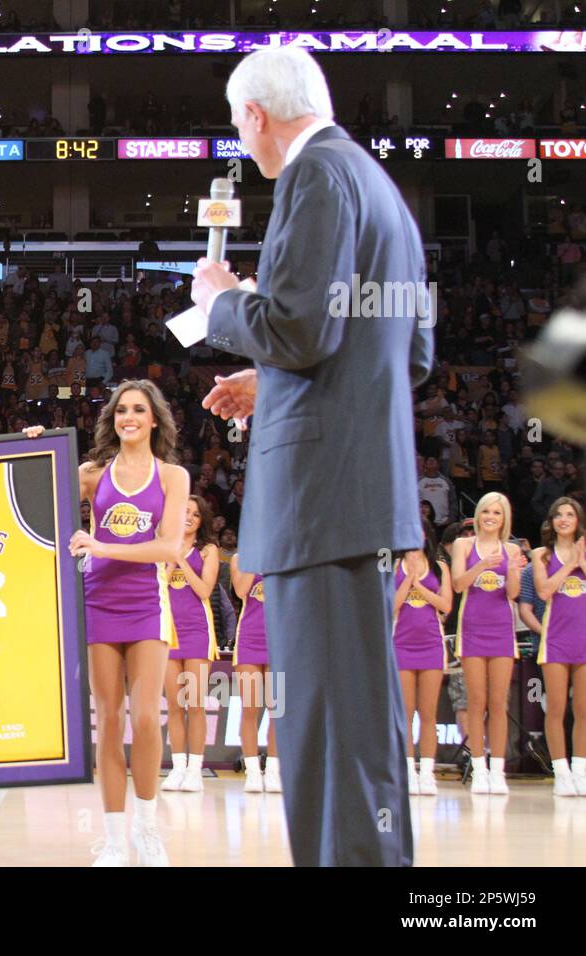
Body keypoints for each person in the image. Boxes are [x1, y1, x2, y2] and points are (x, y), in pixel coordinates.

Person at [193, 44, 429, 866]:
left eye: (238, 125)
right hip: (360, 495)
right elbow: (408, 353)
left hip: (320, 502)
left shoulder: (314, 176)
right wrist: (275, 383)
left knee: (329, 736)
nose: (243, 143)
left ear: (256, 115)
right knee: (353, 728)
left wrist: (226, 305)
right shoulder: (382, 192)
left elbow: (296, 327)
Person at [30, 378, 189, 867]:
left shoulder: (172, 477)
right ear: (113, 419)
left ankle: (147, 828)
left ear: (154, 419)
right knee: (109, 723)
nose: (129, 418)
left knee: (145, 719)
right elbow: (39, 483)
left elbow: (168, 548)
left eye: (139, 410)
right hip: (97, 602)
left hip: (146, 603)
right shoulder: (94, 473)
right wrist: (33, 446)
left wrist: (100, 546)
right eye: (122, 410)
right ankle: (116, 841)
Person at [450, 492, 523, 794]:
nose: (491, 517)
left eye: (497, 512)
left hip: (502, 630)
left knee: (498, 702)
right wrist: (482, 565)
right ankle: (479, 767)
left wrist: (515, 569)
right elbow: (457, 584)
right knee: (476, 702)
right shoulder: (463, 545)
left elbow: (513, 594)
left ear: (504, 519)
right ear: (478, 515)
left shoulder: (510, 549)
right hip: (472, 629)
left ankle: (498, 770)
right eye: (486, 512)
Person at [162, 494, 220, 793]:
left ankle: (196, 769)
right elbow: (158, 586)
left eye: (195, 514)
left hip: (197, 630)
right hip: (167, 632)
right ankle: (178, 767)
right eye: (184, 511)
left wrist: (183, 559)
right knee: (174, 705)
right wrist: (172, 557)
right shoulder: (163, 545)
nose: (189, 517)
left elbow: (204, 590)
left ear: (201, 521)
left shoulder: (208, 550)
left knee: (195, 703)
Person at [391, 522, 452, 796]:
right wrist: (408, 579)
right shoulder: (393, 566)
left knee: (429, 714)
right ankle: (406, 771)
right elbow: (390, 605)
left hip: (431, 646)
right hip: (401, 646)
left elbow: (445, 605)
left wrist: (419, 585)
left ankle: (427, 772)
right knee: (405, 714)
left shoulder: (440, 567)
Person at [531, 497, 586, 796]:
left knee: (584, 709)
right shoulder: (541, 554)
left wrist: (583, 560)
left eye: (570, 514)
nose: (564, 519)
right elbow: (544, 590)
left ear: (578, 520)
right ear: (551, 521)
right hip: (555, 640)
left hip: (585, 638)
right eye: (559, 515)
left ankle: (581, 770)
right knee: (556, 708)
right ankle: (561, 771)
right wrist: (571, 565)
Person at [231, 556, 279, 793]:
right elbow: (241, 591)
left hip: (280, 641)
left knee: (277, 711)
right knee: (250, 709)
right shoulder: (242, 559)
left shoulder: (287, 554)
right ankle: (252, 771)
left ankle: (273, 771)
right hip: (249, 640)